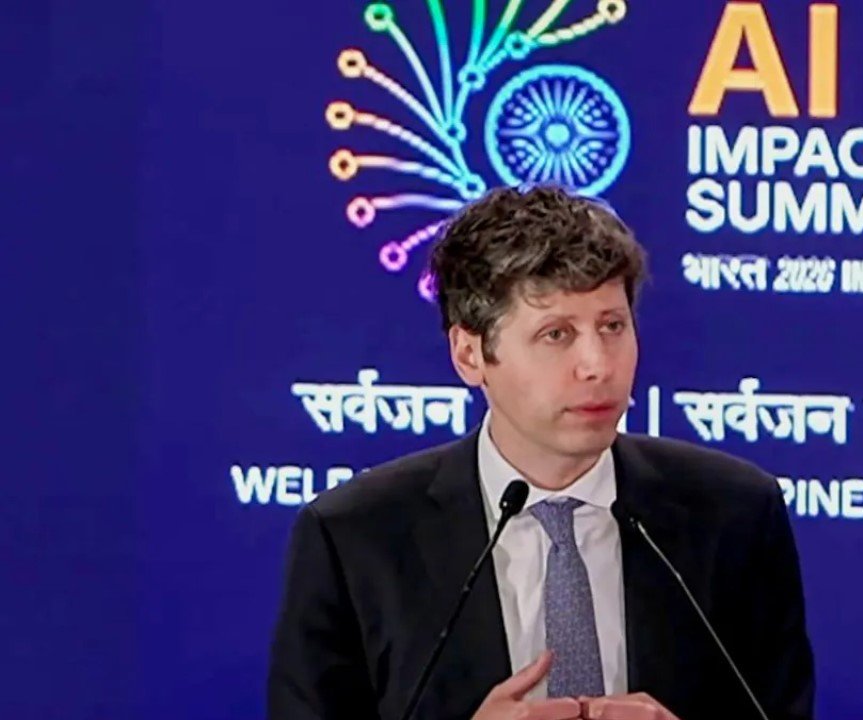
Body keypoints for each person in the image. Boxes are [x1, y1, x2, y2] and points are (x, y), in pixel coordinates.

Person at [266, 184, 815, 720]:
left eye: (612, 326)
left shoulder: (736, 515)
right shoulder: (355, 538)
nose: (597, 365)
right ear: (470, 354)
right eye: (557, 334)